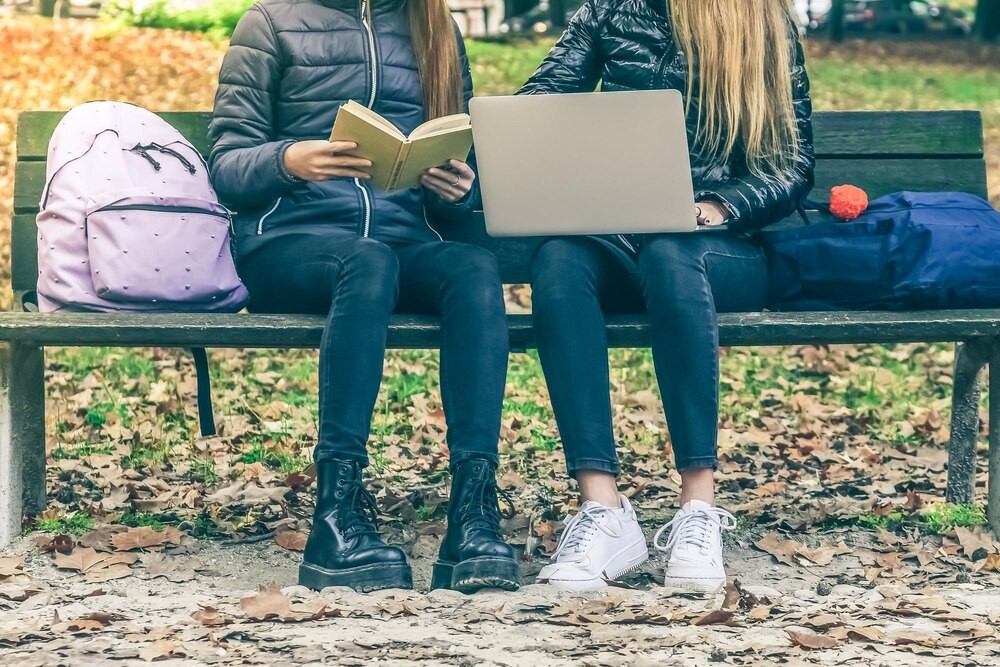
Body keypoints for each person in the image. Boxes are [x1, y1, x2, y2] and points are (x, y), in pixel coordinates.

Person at [208, 0, 519, 594]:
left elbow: (462, 161)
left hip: (403, 243)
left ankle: (473, 513)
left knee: (473, 268)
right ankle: (336, 512)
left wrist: (458, 185)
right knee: (367, 260)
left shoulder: (435, 26)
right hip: (291, 245)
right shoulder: (271, 22)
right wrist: (290, 159)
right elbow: (226, 166)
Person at [520, 0, 815, 593]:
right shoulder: (608, 11)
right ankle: (603, 509)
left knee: (669, 253)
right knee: (558, 260)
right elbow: (541, 104)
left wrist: (716, 207)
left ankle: (698, 507)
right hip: (617, 235)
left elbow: (793, 163)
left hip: (717, 249)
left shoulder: (758, 17)